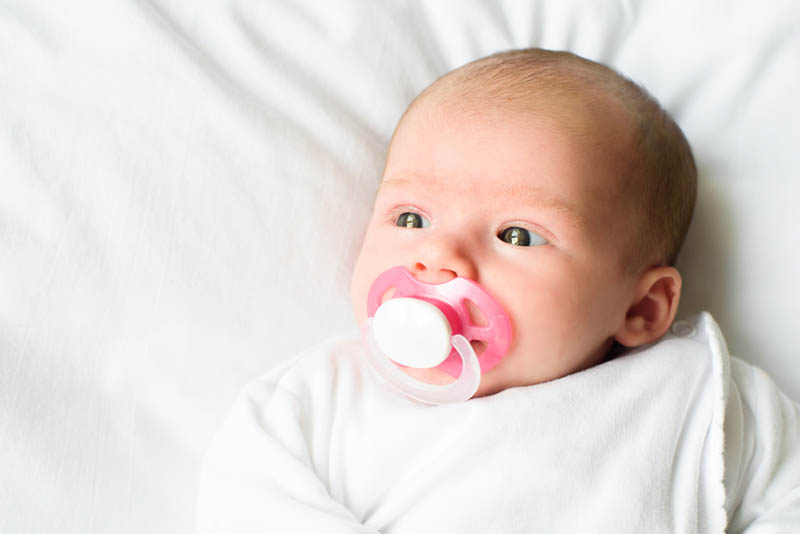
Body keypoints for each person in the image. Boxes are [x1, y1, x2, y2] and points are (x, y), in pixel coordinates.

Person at [196, 49, 800, 533]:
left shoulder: (695, 393)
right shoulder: (319, 399)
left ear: (641, 308)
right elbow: (245, 504)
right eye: (411, 219)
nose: (439, 256)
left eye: (516, 234)